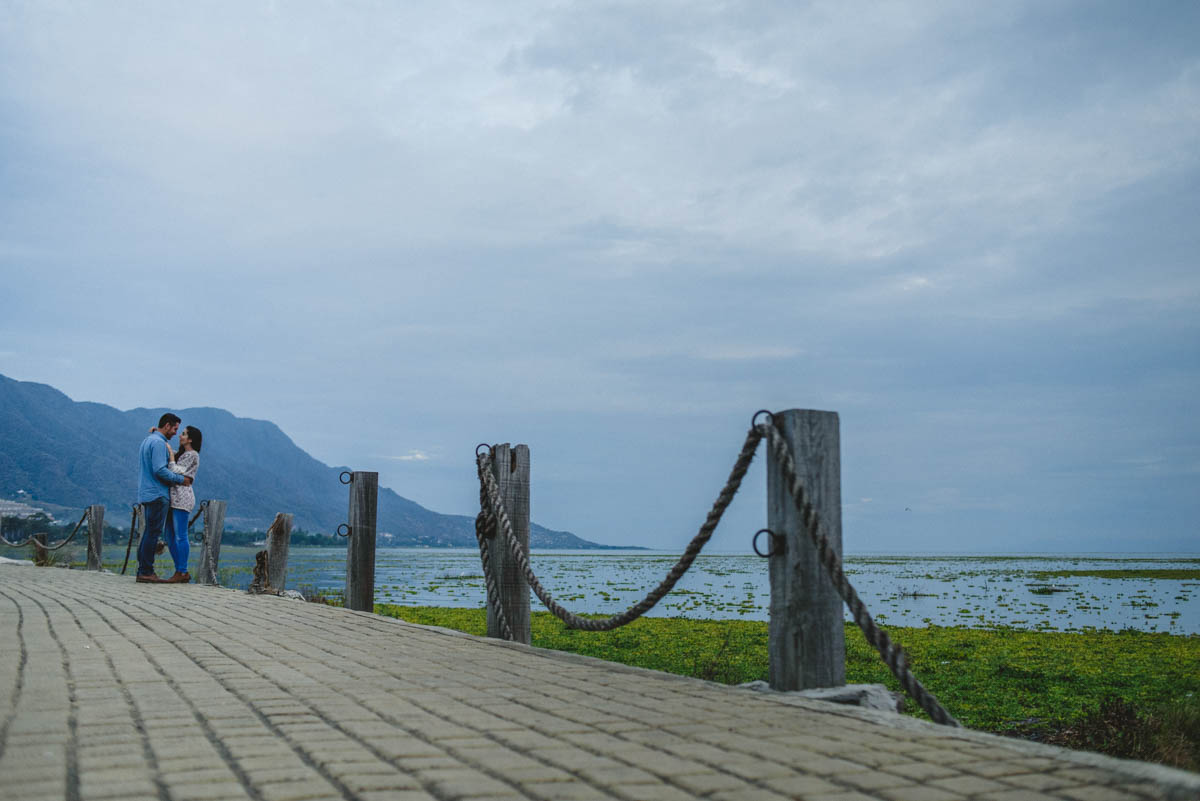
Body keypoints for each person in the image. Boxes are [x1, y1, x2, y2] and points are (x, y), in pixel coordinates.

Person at [135, 413, 192, 583]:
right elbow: (160, 470)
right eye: (175, 429)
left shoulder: (148, 440)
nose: (176, 433)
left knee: (148, 534)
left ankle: (143, 570)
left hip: (147, 493)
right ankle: (146, 571)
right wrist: (181, 480)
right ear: (167, 425)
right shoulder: (159, 443)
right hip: (158, 494)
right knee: (152, 535)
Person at [163, 425, 202, 584]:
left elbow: (176, 470)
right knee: (169, 535)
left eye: (184, 434)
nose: (180, 435)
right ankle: (179, 569)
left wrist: (171, 455)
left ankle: (182, 570)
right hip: (174, 497)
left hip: (183, 497)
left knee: (180, 535)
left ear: (190, 439)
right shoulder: (183, 454)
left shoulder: (192, 455)